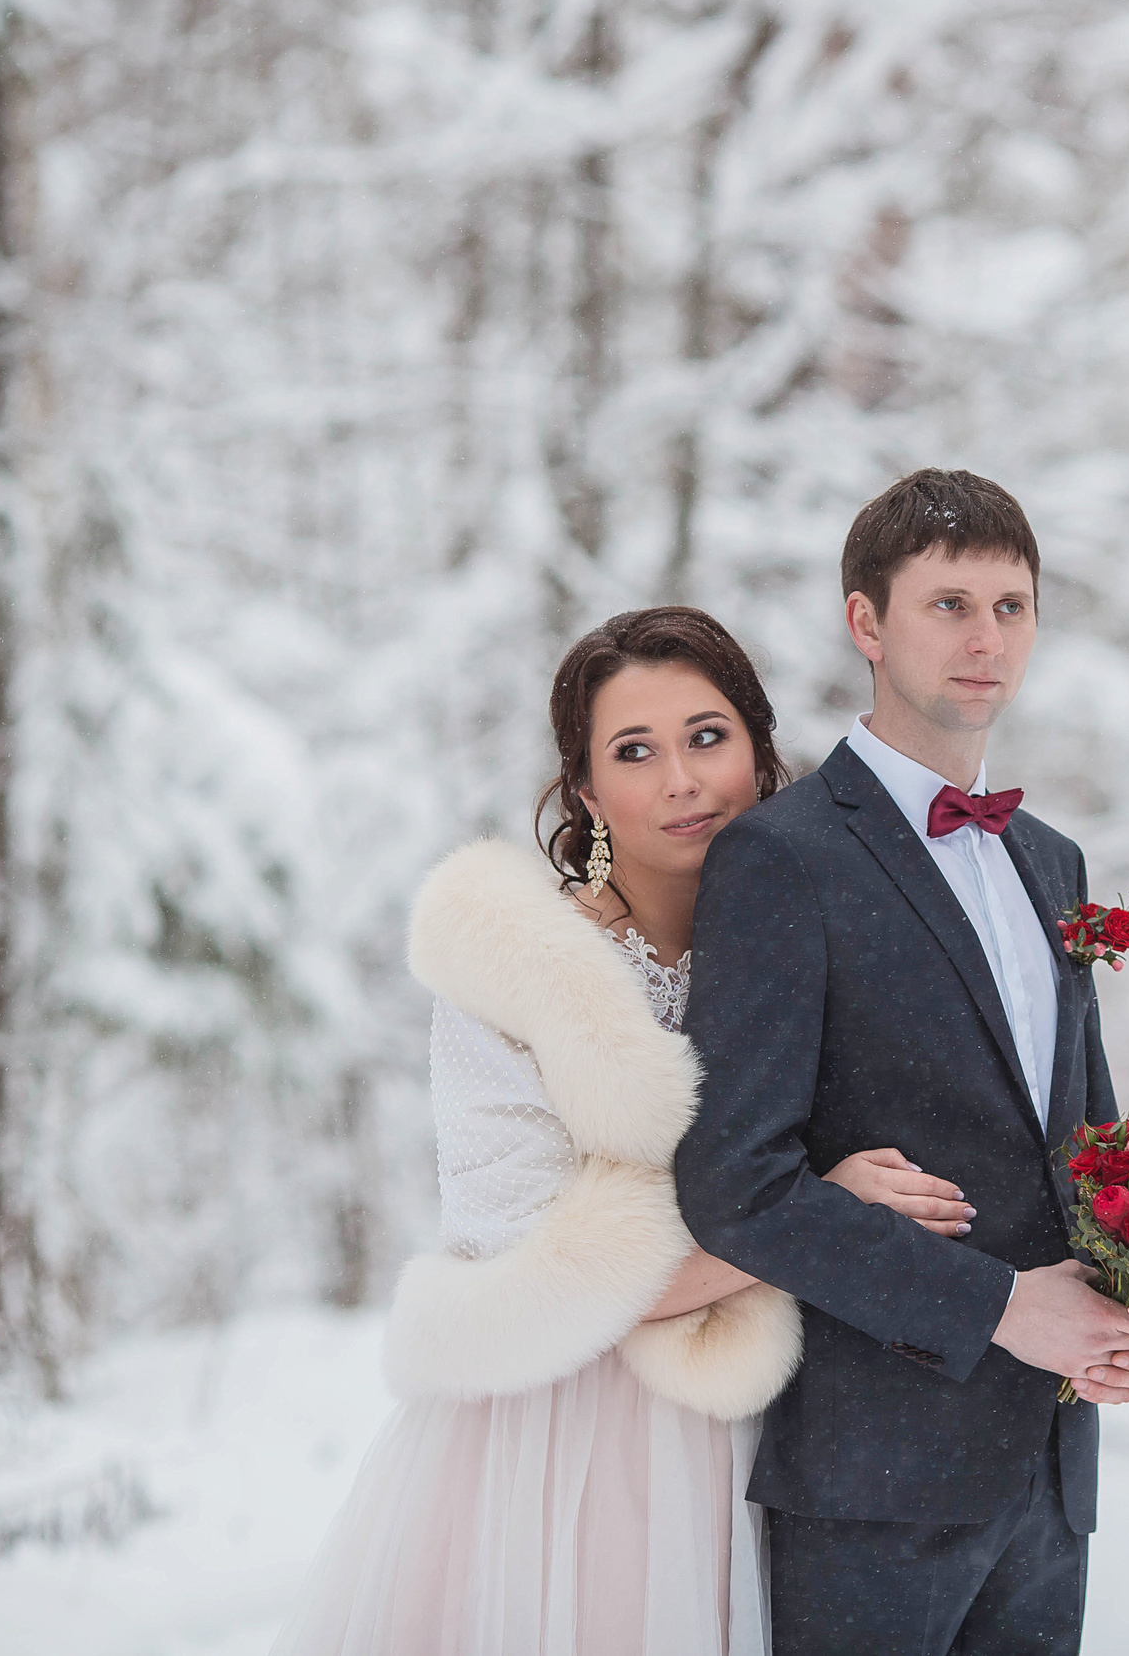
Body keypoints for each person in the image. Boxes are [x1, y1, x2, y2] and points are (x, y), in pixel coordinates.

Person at [271, 606, 976, 1656]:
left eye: (706, 737)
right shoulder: (518, 972)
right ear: (589, 791)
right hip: (562, 1453)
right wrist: (820, 1218)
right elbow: (527, 1263)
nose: (681, 782)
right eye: (634, 753)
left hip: (792, 1440)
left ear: (757, 750)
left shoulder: (836, 940)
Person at [677, 469, 1129, 1656]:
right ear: (866, 622)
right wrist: (1002, 1308)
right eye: (948, 603)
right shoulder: (780, 860)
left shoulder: (1052, 861)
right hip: (872, 1481)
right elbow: (736, 1183)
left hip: (1050, 1480)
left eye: (1012, 606)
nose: (986, 638)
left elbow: (1075, 1149)